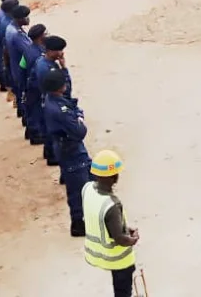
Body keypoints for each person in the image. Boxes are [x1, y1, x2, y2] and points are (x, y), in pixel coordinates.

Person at [82, 149, 139, 297]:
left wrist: (124, 227)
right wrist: (133, 239)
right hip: (119, 260)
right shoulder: (112, 205)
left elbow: (100, 220)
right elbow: (120, 239)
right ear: (115, 177)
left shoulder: (87, 189)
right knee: (123, 291)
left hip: (97, 253)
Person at [41, 68, 91, 237]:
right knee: (78, 187)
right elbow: (80, 131)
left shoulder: (53, 100)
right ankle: (78, 223)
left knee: (85, 181)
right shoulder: (59, 110)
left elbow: (73, 106)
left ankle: (83, 218)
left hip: (66, 147)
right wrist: (79, 119)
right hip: (71, 149)